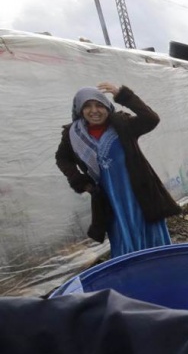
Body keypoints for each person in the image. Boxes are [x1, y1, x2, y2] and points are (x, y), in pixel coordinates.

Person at [55, 82, 181, 258]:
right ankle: (131, 268)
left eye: (99, 105)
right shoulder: (73, 135)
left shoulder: (123, 124)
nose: (94, 110)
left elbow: (151, 119)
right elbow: (62, 158)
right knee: (120, 232)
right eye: (87, 106)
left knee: (150, 228)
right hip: (109, 197)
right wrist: (81, 181)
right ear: (79, 109)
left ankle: (160, 262)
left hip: (139, 191)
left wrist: (122, 95)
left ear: (107, 107)